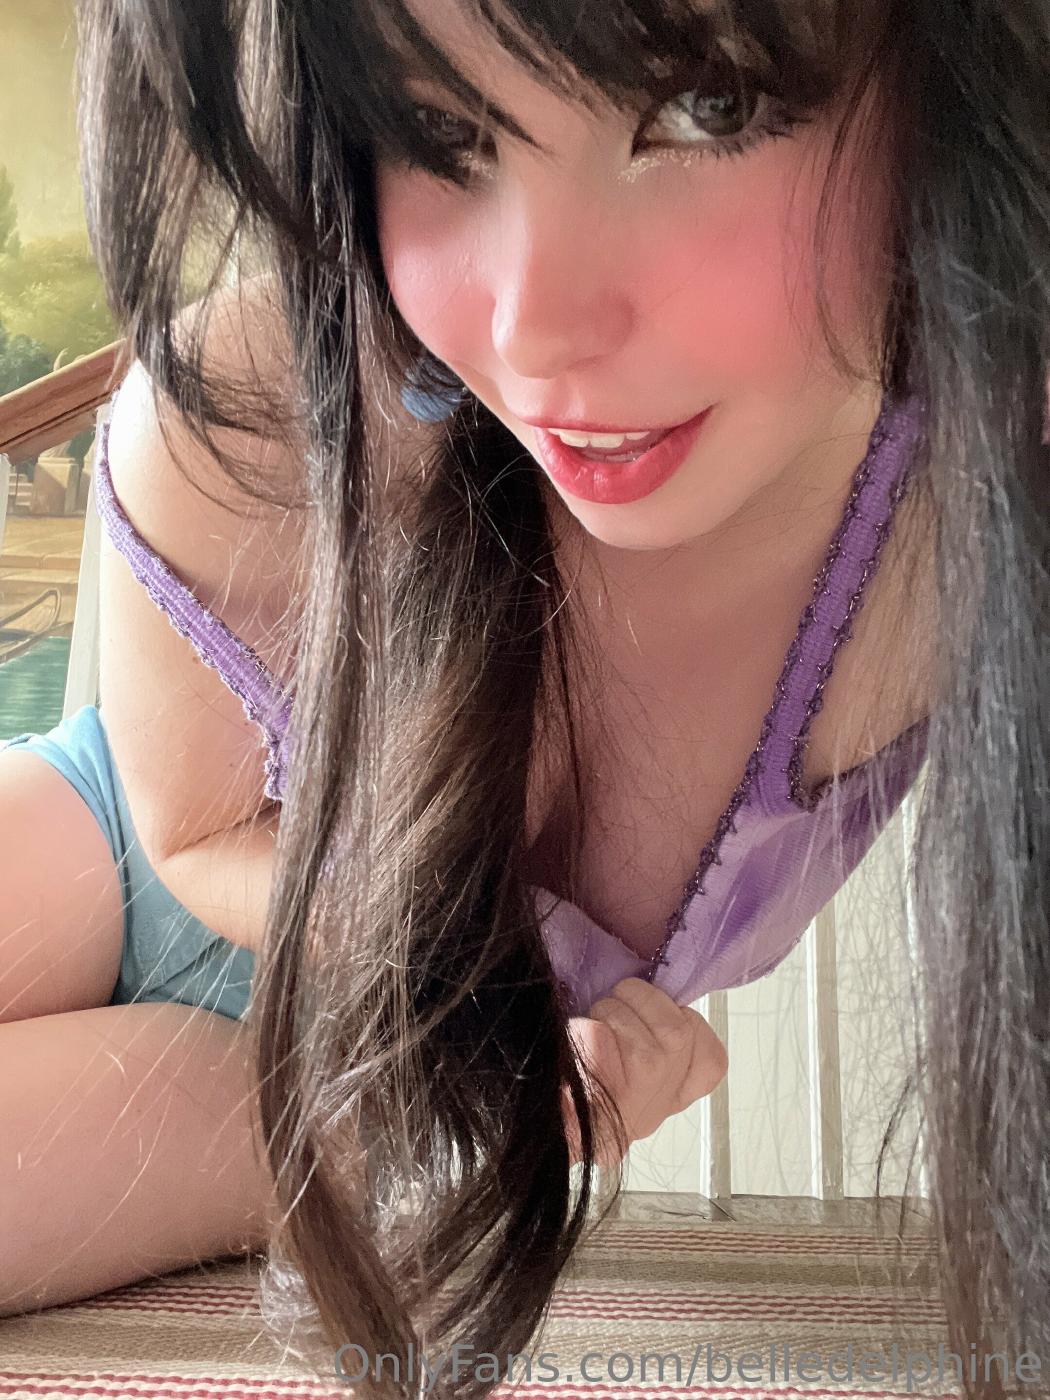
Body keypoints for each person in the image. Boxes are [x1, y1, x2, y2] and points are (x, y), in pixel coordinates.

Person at [4, 0, 1048, 1389]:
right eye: (439, 130)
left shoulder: (961, 525)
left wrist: (493, 1063)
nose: (535, 328)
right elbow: (187, 830)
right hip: (107, 853)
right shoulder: (255, 400)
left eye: (710, 106)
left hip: (345, 1094)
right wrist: (491, 981)